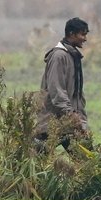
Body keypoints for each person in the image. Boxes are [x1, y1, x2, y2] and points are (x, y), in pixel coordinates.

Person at [35, 17, 91, 154]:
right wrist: (71, 114)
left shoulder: (72, 56)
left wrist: (80, 120)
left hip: (70, 123)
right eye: (82, 34)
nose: (85, 39)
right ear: (71, 34)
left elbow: (77, 95)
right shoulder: (59, 57)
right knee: (36, 163)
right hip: (52, 122)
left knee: (88, 162)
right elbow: (56, 90)